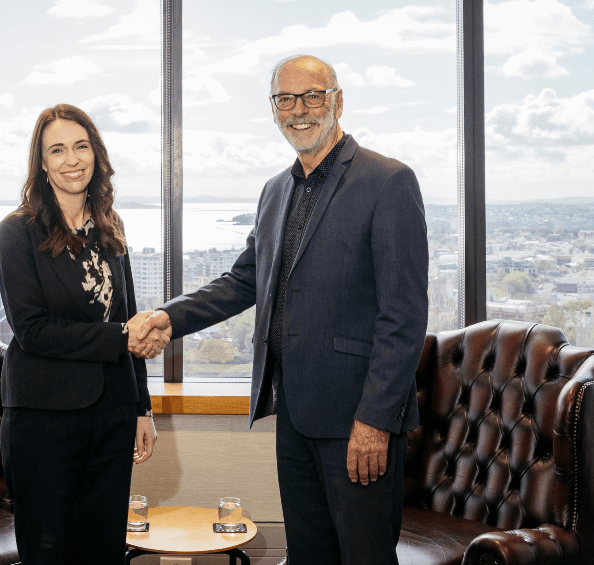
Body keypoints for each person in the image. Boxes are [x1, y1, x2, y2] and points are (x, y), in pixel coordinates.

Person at [138, 55, 429, 565]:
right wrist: (168, 318)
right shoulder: (275, 190)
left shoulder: (388, 181)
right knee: (309, 554)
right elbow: (243, 280)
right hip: (294, 412)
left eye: (313, 96)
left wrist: (375, 421)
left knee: (364, 556)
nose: (299, 110)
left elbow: (403, 317)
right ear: (273, 109)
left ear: (338, 101)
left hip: (357, 420)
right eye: (286, 99)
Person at [0, 104, 171, 565]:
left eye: (81, 146)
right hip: (43, 420)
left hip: (111, 415)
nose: (72, 160)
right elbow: (32, 330)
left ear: (96, 154)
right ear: (41, 163)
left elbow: (128, 318)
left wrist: (142, 409)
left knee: (104, 550)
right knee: (49, 553)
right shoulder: (16, 231)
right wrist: (120, 338)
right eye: (57, 150)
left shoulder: (110, 225)